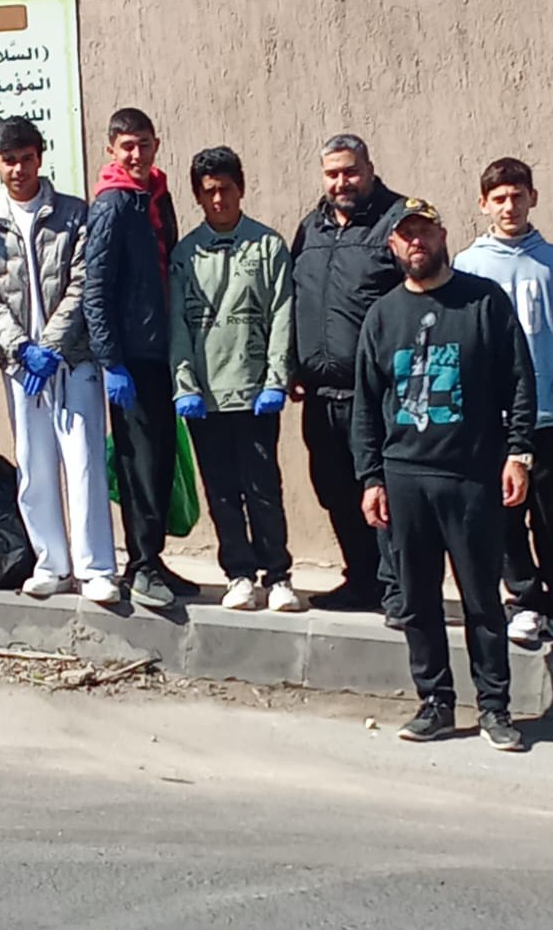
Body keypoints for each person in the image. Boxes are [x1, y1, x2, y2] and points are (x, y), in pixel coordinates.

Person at [352, 201, 536, 752]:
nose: (417, 243)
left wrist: (518, 453)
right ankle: (434, 701)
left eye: (424, 233)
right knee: (417, 600)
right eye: (405, 235)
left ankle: (495, 707)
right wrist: (371, 477)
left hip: (472, 475)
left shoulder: (484, 301)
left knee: (482, 599)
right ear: (393, 245)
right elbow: (367, 404)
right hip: (405, 478)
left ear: (442, 235)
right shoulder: (382, 316)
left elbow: (519, 380)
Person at [0, 117, 118, 605]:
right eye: (10, 161)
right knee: (33, 467)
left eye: (27, 159)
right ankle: (51, 563)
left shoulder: (73, 214)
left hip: (71, 361)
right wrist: (21, 349)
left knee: (84, 463)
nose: (19, 169)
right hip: (22, 368)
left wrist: (50, 347)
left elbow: (82, 282)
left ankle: (95, 568)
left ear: (40, 158)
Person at [454, 157, 553, 647]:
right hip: (495, 417)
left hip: (548, 413)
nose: (509, 206)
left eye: (517, 196)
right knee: (505, 514)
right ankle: (525, 601)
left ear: (533, 197)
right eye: (499, 198)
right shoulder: (469, 264)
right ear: (483, 204)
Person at [169, 147, 300, 612]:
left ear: (240, 188)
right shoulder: (186, 254)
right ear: (198, 197)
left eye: (226, 189)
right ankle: (239, 574)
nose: (219, 199)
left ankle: (278, 575)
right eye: (209, 192)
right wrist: (184, 385)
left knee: (263, 488)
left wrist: (276, 379)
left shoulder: (267, 246)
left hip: (254, 392)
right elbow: (178, 325)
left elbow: (282, 313)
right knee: (221, 491)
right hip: (205, 398)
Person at [291, 133, 407, 615]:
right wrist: (294, 364)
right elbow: (295, 299)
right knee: (335, 490)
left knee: (384, 494)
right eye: (332, 173)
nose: (342, 182)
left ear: (370, 169)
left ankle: (398, 588)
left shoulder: (397, 220)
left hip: (376, 394)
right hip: (321, 394)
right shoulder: (310, 227)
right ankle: (361, 580)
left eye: (350, 171)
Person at [83, 106, 193, 610]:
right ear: (111, 150)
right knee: (140, 464)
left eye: (144, 144)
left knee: (162, 459)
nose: (136, 154)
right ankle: (142, 565)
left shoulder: (156, 195)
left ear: (156, 145)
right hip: (132, 357)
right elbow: (96, 289)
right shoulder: (112, 204)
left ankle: (154, 558)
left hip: (162, 350)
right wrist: (111, 361)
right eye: (126, 146)